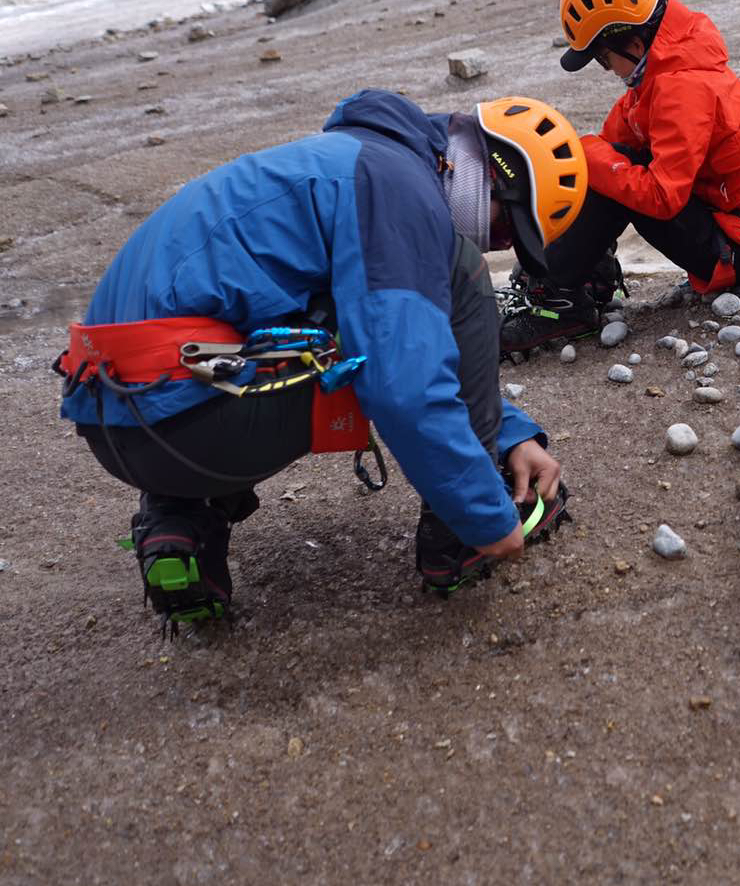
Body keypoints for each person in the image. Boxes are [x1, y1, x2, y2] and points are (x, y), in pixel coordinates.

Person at [56, 90, 584, 626]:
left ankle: (181, 521)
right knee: (460, 275)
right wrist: (486, 518)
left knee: (338, 315)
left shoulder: (351, 162)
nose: (494, 244)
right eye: (503, 230)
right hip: (190, 419)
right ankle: (458, 542)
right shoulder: (398, 189)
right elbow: (402, 382)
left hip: (125, 421)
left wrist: (506, 432)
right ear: (494, 173)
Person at [500, 0, 740, 355]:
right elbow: (611, 146)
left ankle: (557, 303)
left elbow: (662, 198)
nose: (607, 69)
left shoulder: (680, 86)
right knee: (608, 162)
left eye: (602, 57)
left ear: (630, 39)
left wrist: (593, 158)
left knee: (614, 175)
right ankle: (573, 279)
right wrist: (579, 160)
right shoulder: (667, 66)